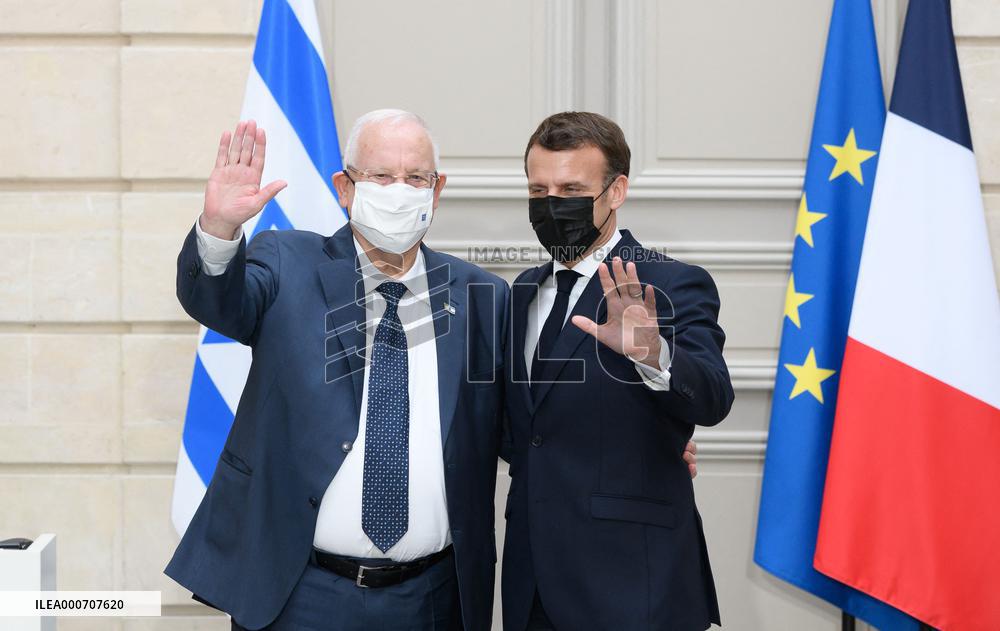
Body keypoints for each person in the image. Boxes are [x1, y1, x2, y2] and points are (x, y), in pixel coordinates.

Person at [165, 110, 508, 631]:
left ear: (436, 192)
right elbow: (218, 303)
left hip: (432, 599)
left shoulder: (482, 295)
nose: (400, 191)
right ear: (344, 188)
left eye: (416, 178)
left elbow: (520, 430)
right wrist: (219, 229)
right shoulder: (288, 262)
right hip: (300, 593)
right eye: (381, 176)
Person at [501, 112, 734, 631]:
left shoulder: (671, 281)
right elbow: (525, 429)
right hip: (532, 583)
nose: (552, 205)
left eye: (571, 189)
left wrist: (653, 355)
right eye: (538, 190)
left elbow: (713, 396)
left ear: (616, 192)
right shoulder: (521, 291)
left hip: (634, 584)